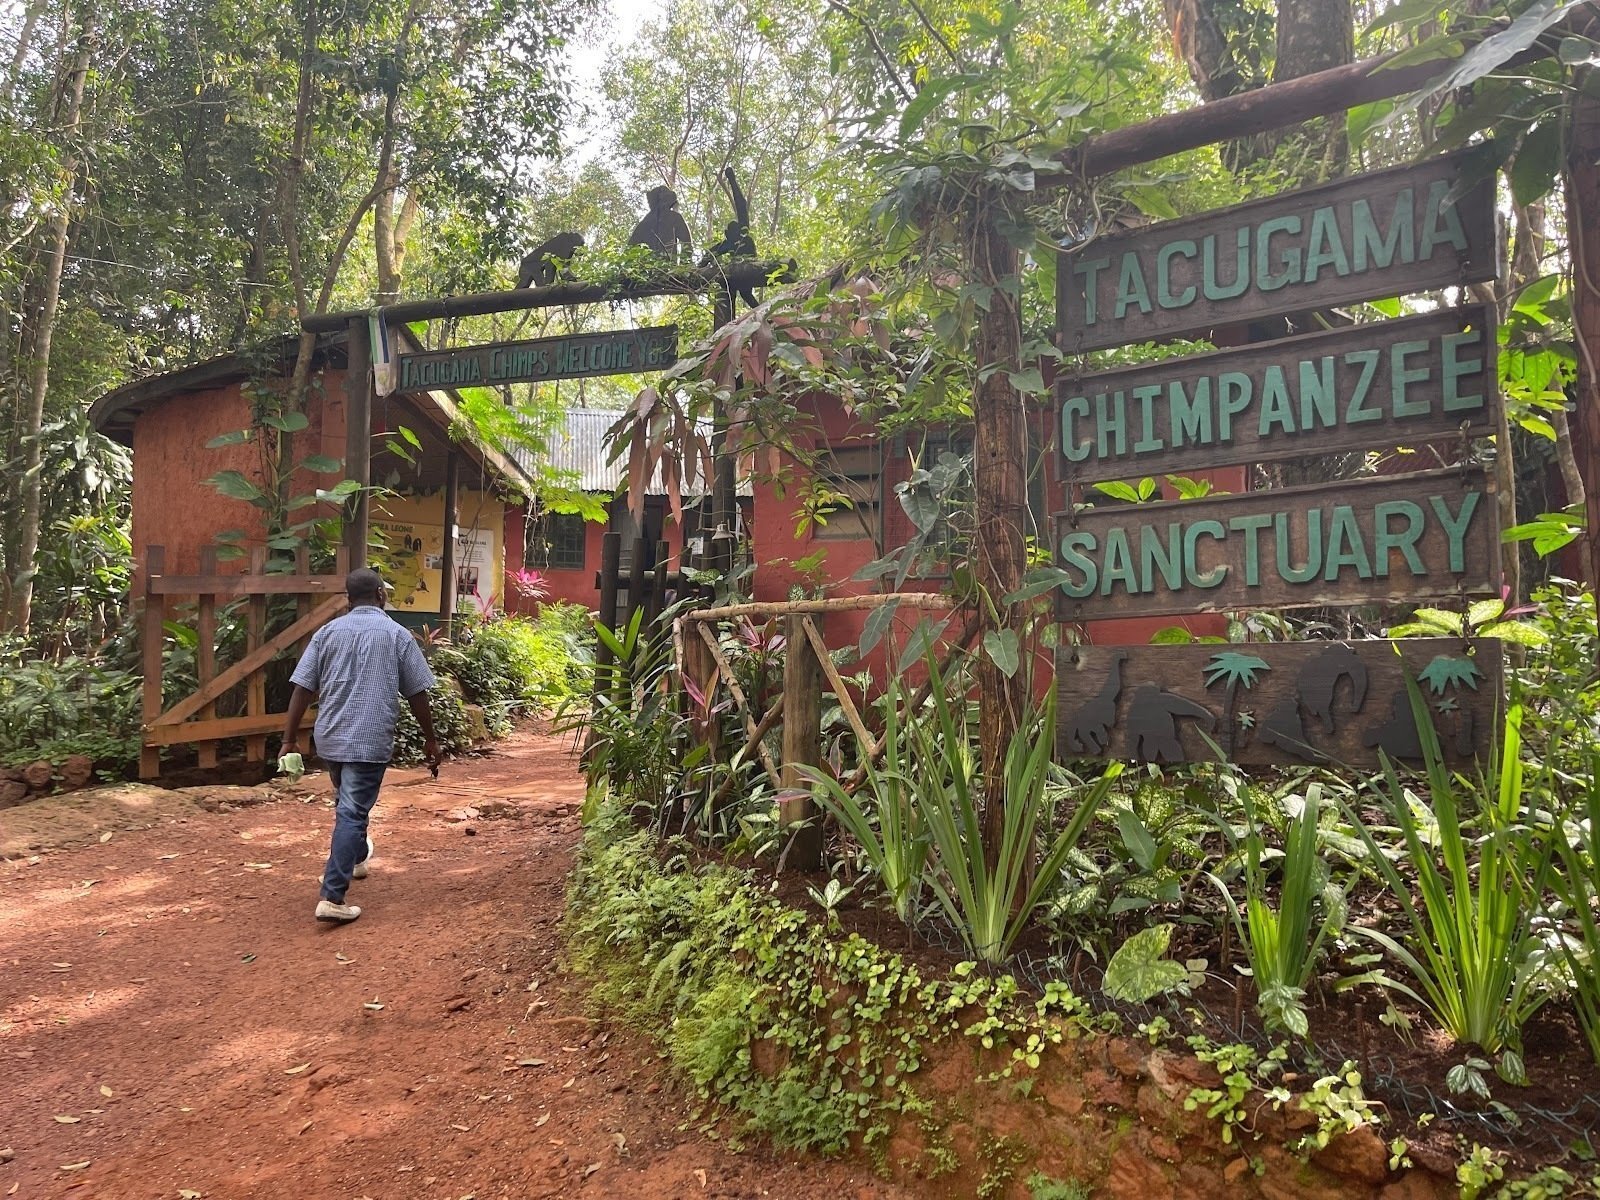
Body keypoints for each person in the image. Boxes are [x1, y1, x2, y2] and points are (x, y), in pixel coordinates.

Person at [281, 567, 439, 923]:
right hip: (369, 738)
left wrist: (289, 739)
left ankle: (354, 860)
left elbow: (302, 689)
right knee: (352, 812)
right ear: (381, 596)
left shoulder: (326, 633)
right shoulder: (397, 635)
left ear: (348, 600)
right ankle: (332, 896)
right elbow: (417, 693)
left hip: (331, 737)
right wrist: (430, 739)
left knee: (347, 803)